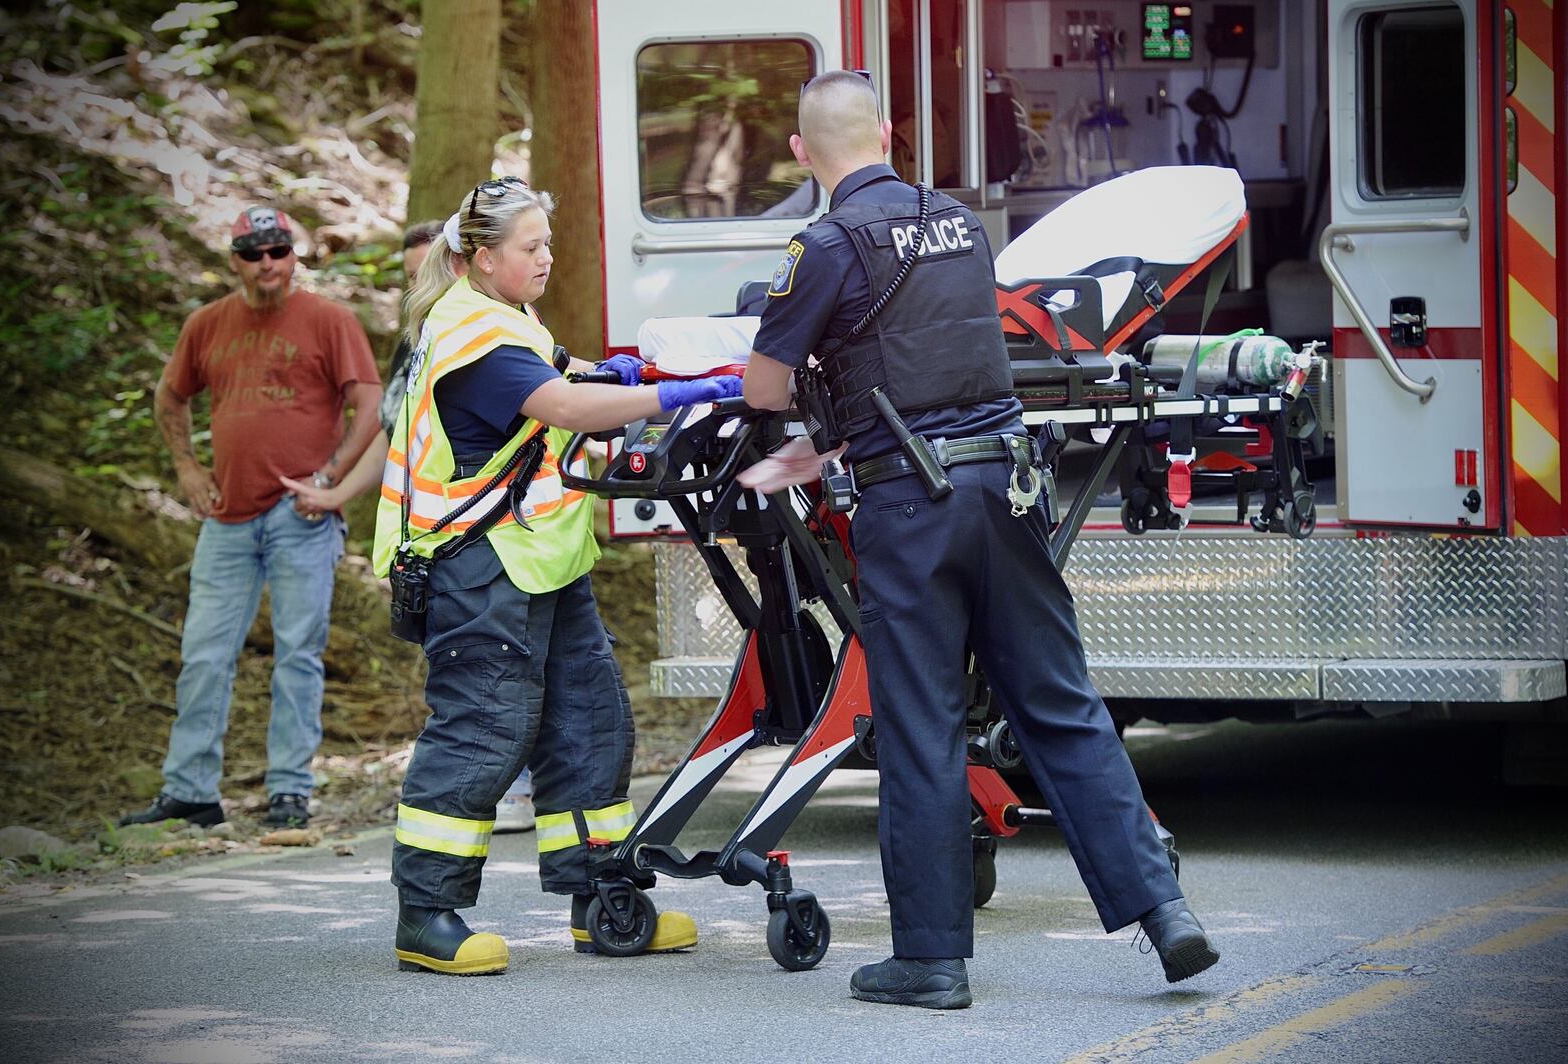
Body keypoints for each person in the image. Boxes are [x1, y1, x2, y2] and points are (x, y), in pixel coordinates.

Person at [740, 71, 1219, 1009]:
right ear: (887, 131)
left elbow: (765, 388)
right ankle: (1166, 915)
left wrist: (810, 428)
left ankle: (931, 960)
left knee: (921, 726)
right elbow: (936, 354)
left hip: (909, 507)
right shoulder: (960, 224)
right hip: (1007, 487)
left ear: (803, 154)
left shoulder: (826, 243)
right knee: (1062, 706)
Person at [371, 175, 741, 976]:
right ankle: (426, 914)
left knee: (589, 724)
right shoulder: (473, 334)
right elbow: (564, 407)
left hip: (539, 557)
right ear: (481, 259)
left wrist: (626, 373)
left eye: (547, 242)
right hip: (479, 566)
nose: (547, 258)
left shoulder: (507, 317)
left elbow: (569, 373)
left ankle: (602, 898)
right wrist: (683, 394)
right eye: (531, 247)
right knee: (482, 732)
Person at [121, 206, 383, 831]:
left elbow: (370, 401)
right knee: (205, 654)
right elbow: (170, 396)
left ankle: (289, 790)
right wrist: (187, 468)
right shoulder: (207, 324)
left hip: (301, 515)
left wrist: (331, 478)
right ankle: (189, 791)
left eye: (278, 250)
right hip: (227, 517)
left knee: (298, 653)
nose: (267, 262)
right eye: (252, 252)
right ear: (233, 261)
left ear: (294, 256)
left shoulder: (329, 319)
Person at [284, 219, 539, 834]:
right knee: (469, 676)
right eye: (411, 277)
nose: (425, 285)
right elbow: (393, 431)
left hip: (496, 536)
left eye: (434, 268)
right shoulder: (418, 340)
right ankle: (489, 790)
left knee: (502, 672)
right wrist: (340, 492)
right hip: (428, 542)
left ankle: (517, 787)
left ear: (469, 264)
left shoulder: (495, 334)